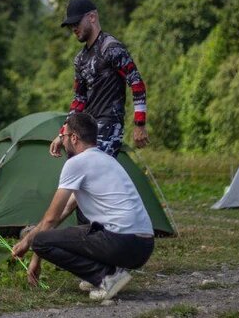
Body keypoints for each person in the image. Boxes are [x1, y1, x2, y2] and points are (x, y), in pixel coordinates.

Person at [12, 113, 155, 301]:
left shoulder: (76, 163)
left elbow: (51, 218)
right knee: (78, 232)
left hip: (123, 242)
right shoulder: (106, 159)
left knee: (41, 240)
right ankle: (103, 273)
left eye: (63, 136)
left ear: (74, 138)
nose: (62, 142)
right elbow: (65, 210)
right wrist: (32, 250)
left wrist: (30, 245)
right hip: (143, 245)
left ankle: (107, 278)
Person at [50, 0, 148, 158]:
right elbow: (79, 100)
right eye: (71, 25)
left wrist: (140, 124)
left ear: (92, 17)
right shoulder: (80, 59)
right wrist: (63, 134)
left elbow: (137, 84)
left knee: (96, 177)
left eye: (77, 22)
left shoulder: (111, 48)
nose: (73, 28)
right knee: (78, 176)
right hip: (86, 130)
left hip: (109, 128)